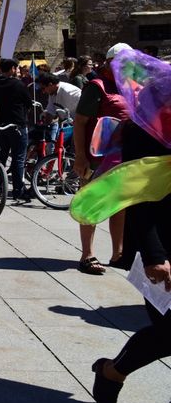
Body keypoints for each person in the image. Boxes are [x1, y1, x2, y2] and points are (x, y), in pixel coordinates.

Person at [90, 119, 171, 403]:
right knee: (168, 330)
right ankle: (111, 372)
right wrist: (155, 255)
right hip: (161, 245)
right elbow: (136, 195)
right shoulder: (147, 128)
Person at [73, 44, 131, 273]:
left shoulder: (127, 86)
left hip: (122, 158)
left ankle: (119, 254)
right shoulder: (96, 87)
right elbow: (80, 121)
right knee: (92, 205)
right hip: (96, 159)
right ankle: (87, 255)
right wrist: (80, 157)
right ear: (109, 63)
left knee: (120, 206)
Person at [0, 58, 33, 201]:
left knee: (1, 157)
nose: (16, 71)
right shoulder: (18, 84)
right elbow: (28, 102)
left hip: (0, 125)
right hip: (17, 125)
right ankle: (18, 190)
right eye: (15, 68)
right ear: (11, 69)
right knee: (18, 158)